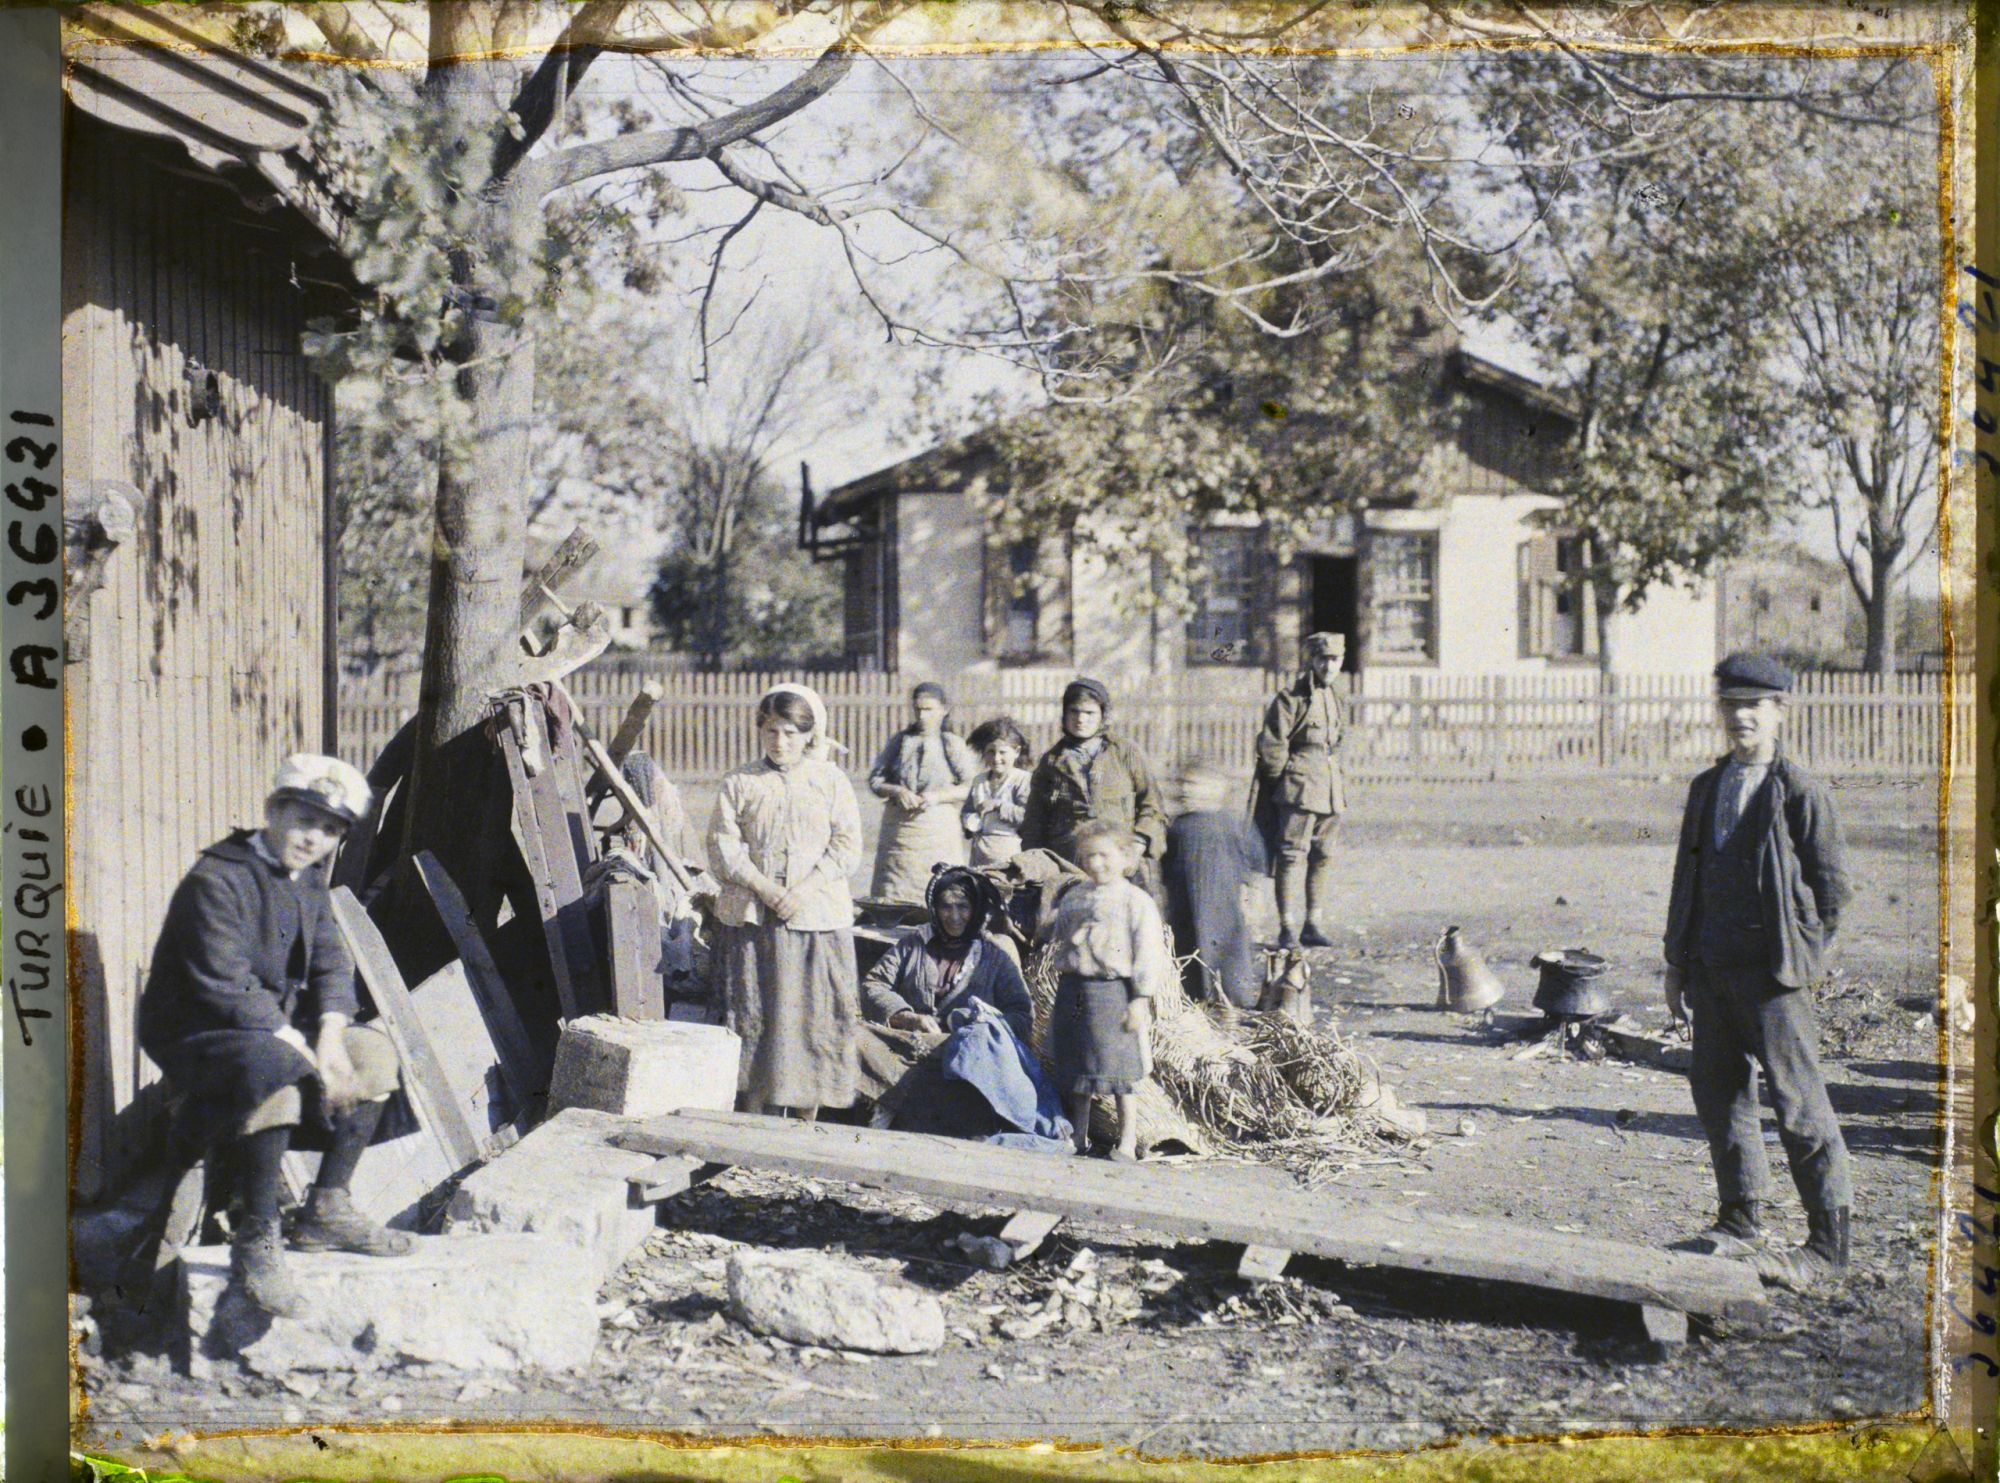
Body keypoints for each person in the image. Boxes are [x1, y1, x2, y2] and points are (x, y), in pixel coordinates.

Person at [137, 754, 412, 1318]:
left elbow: (334, 965)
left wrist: (333, 1038)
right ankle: (256, 1238)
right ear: (273, 811)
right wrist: (305, 1052)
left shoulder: (309, 882)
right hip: (198, 1030)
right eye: (305, 820)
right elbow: (222, 984)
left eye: (331, 830)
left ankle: (326, 1207)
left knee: (374, 1055)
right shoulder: (217, 877)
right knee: (277, 1070)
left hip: (269, 1027)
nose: (315, 839)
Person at [1662, 652, 1854, 1291]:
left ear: (1779, 711)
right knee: (1719, 1094)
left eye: (1755, 705)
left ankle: (1827, 1247)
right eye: (1731, 705)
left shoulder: (1799, 790)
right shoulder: (1707, 787)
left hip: (1773, 978)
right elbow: (1688, 879)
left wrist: (1799, 956)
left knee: (1799, 1103)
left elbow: (1831, 890)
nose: (1741, 716)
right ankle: (1741, 1220)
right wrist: (1677, 964)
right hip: (1710, 970)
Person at [709, 683, 864, 1122]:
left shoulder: (830, 781)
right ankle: (754, 1116)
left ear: (808, 735)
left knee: (811, 1015)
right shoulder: (740, 782)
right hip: (755, 920)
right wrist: (766, 889)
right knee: (756, 1012)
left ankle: (805, 1120)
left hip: (814, 918)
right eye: (773, 732)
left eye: (792, 733)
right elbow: (724, 847)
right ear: (760, 730)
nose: (781, 742)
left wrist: (802, 890)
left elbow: (847, 845)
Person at [860, 867, 1068, 1150]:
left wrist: (976, 1025)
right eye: (945, 907)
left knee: (977, 1050)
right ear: (934, 908)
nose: (954, 916)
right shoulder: (914, 944)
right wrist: (905, 1016)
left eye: (963, 907)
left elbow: (1021, 1015)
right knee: (855, 1036)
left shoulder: (995, 954)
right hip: (911, 1044)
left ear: (977, 909)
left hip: (965, 1056)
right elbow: (874, 984)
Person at [1041, 821, 1174, 1161]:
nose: (1096, 864)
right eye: (1088, 857)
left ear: (1125, 857)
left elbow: (1147, 951)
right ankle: (1080, 1136)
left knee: (1117, 1070)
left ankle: (1126, 1141)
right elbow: (1056, 934)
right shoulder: (1076, 896)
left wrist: (1140, 998)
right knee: (1078, 1066)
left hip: (1112, 993)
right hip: (1075, 990)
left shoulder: (1135, 901)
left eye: (1104, 855)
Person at [1252, 631, 1349, 949]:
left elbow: (1337, 742)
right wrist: (1286, 781)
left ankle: (1313, 923)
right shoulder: (1291, 697)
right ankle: (1287, 927)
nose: (1328, 666)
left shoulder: (1336, 695)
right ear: (1313, 660)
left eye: (1334, 659)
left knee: (1323, 856)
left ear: (1341, 661)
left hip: (1331, 789)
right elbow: (1272, 744)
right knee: (1291, 857)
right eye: (1323, 659)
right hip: (1300, 789)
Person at [1020, 677, 1168, 882]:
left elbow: (1153, 807)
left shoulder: (1125, 753)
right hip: (1069, 863)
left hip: (1121, 862)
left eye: (1089, 713)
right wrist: (1035, 864)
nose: (1081, 719)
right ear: (1064, 714)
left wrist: (1137, 845)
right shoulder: (1051, 762)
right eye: (1074, 711)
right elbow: (1034, 820)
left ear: (1103, 716)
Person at [1163, 756, 1268, 1009]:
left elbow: (1255, 867)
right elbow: (1167, 871)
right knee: (1189, 958)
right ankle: (1194, 1007)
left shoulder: (1234, 823)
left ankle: (1234, 1011)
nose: (1188, 790)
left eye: (1197, 784)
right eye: (1184, 784)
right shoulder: (1178, 826)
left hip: (1225, 909)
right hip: (1186, 908)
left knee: (1230, 960)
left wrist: (1255, 901)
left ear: (1219, 788)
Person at [868, 681, 977, 903]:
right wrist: (897, 790)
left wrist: (938, 797)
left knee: (942, 895)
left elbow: (971, 786)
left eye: (928, 710)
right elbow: (875, 781)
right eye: (917, 709)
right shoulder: (900, 741)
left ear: (944, 710)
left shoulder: (951, 744)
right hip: (900, 835)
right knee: (893, 898)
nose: (922, 716)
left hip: (937, 832)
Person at [961, 717, 1034, 868]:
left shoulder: (1021, 780)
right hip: (980, 852)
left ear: (1016, 752)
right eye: (990, 752)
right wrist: (968, 821)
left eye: (1002, 752)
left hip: (1009, 852)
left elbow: (1028, 817)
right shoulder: (979, 781)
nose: (996, 758)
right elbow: (967, 810)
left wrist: (998, 805)